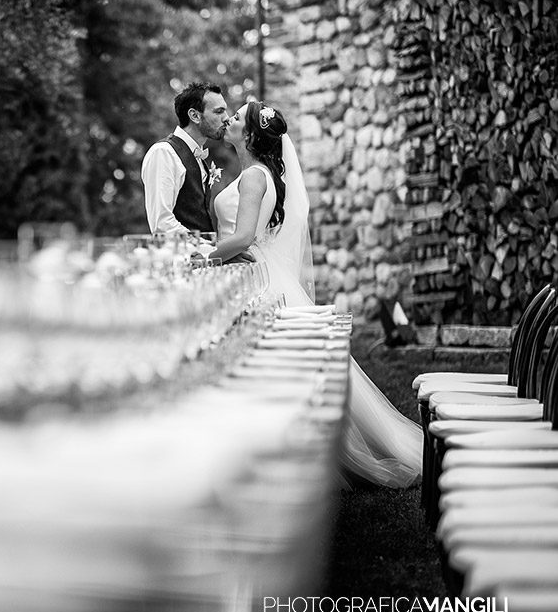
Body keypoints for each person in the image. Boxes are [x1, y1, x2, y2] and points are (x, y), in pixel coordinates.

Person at [211, 101, 422, 488]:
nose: (229, 120)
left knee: (266, 365)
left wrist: (203, 255)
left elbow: (241, 237)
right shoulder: (254, 173)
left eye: (237, 117)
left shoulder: (254, 177)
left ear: (251, 135)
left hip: (252, 272)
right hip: (253, 268)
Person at [141, 82, 231, 235]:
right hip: (180, 257)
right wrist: (212, 250)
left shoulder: (199, 157)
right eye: (219, 112)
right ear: (195, 116)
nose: (227, 118)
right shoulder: (164, 152)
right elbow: (162, 224)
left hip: (202, 257)